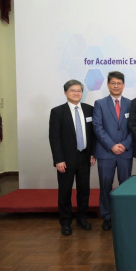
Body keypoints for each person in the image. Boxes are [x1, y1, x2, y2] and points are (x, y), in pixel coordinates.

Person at [49, 79, 96, 236]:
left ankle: (82, 219)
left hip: (84, 157)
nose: (76, 93)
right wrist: (58, 160)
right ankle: (65, 222)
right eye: (73, 90)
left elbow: (93, 135)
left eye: (79, 91)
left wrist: (92, 153)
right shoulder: (57, 112)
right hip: (66, 160)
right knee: (65, 191)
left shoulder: (89, 110)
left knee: (84, 190)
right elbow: (54, 138)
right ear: (65, 93)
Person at [93, 71, 133, 231]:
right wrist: (111, 145)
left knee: (125, 185)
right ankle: (107, 217)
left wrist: (124, 144)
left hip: (125, 152)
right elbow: (97, 127)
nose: (116, 86)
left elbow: (135, 127)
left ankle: (123, 216)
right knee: (105, 185)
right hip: (105, 152)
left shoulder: (131, 104)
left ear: (123, 85)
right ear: (108, 85)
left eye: (119, 83)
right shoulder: (100, 103)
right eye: (113, 83)